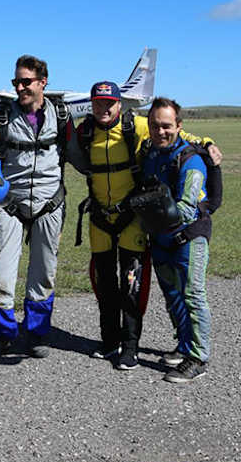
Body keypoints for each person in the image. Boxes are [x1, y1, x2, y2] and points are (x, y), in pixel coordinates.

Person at [66, 82, 220, 370]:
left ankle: (131, 346)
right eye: (98, 103)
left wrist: (207, 142)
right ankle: (110, 340)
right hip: (100, 217)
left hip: (132, 220)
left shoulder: (136, 126)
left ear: (119, 104)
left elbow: (173, 131)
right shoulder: (84, 131)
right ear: (91, 104)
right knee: (105, 282)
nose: (104, 108)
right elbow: (65, 150)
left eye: (109, 102)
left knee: (133, 285)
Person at [0, 55, 71, 359]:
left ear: (43, 82)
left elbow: (80, 154)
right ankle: (3, 334)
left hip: (49, 201)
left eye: (26, 81)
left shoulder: (62, 115)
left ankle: (37, 333)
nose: (20, 87)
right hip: (9, 202)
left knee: (44, 274)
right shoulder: (0, 115)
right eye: (17, 81)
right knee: (1, 274)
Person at [139, 97, 213, 383]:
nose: (161, 132)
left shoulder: (191, 161)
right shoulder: (152, 155)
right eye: (156, 126)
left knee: (193, 295)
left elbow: (186, 208)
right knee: (173, 296)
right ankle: (184, 346)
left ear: (179, 126)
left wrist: (149, 214)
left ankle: (199, 357)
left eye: (167, 126)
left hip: (189, 238)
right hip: (161, 239)